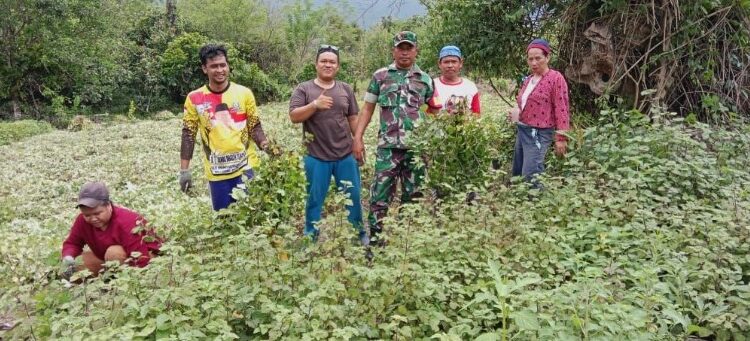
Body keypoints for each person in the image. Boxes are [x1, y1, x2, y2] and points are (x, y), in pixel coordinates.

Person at [353, 31, 440, 245]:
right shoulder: (380, 76)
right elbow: (367, 109)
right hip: (387, 148)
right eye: (400, 48)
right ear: (393, 50)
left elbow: (435, 109)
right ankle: (376, 243)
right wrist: (358, 137)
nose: (404, 52)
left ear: (416, 50)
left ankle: (405, 243)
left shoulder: (425, 80)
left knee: (413, 196)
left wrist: (429, 137)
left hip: (415, 150)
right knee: (379, 197)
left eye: (409, 48)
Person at [288, 44, 366, 244]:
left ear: (338, 66)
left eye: (332, 62)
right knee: (314, 200)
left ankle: (359, 236)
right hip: (316, 156)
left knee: (353, 197)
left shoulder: (345, 89)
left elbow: (353, 118)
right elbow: (294, 117)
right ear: (316, 64)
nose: (328, 65)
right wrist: (315, 105)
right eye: (324, 61)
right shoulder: (304, 89)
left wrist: (358, 142)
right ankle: (310, 238)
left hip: (345, 154)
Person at [179, 44, 271, 211]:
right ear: (204, 69)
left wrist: (266, 146)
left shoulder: (244, 93)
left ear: (228, 66)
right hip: (217, 172)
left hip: (246, 168)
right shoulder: (195, 98)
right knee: (224, 219)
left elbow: (254, 126)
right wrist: (184, 170)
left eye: (223, 65)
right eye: (214, 66)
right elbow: (188, 135)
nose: (219, 70)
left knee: (250, 217)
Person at [61, 182, 161, 278]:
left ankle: (118, 282)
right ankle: (104, 281)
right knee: (76, 264)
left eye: (97, 213)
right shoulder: (82, 221)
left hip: (147, 259)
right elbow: (72, 243)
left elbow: (141, 257)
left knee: (114, 253)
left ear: (108, 206)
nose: (93, 218)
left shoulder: (127, 221)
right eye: (87, 215)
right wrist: (68, 257)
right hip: (106, 259)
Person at [508, 38, 570, 184]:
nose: (534, 63)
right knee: (518, 171)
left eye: (538, 58)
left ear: (547, 57)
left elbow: (562, 108)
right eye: (530, 59)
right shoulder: (528, 79)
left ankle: (537, 202)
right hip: (523, 129)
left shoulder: (555, 78)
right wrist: (517, 111)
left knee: (531, 173)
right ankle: (519, 202)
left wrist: (561, 138)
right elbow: (526, 103)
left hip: (539, 133)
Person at [429, 45, 481, 116]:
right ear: (439, 64)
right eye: (446, 62)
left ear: (461, 63)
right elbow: (427, 115)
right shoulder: (431, 86)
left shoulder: (470, 87)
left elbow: (476, 115)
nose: (450, 65)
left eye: (454, 62)